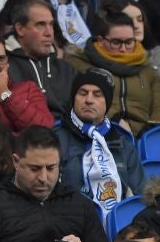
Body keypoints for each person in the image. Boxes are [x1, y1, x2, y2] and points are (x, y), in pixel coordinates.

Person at [68, 11, 160, 138]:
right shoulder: (79, 64)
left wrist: (155, 133)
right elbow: (73, 101)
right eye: (116, 42)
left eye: (129, 42)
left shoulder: (147, 70)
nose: (123, 49)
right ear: (100, 40)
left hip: (144, 138)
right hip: (97, 133)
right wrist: (113, 120)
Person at [54, 68, 146, 211]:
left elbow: (139, 195)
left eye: (97, 95)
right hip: (68, 220)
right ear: (73, 99)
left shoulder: (123, 144)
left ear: (107, 103)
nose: (89, 100)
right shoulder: (54, 138)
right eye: (83, 93)